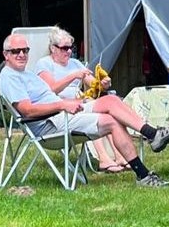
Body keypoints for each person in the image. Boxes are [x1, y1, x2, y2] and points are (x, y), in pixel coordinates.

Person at [0, 32, 169, 187]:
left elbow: (92, 84)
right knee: (111, 121)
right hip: (50, 124)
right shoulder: (11, 77)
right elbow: (27, 110)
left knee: (110, 99)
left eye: (25, 50)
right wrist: (62, 104)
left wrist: (101, 83)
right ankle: (143, 173)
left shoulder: (24, 73)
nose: (21, 54)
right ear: (6, 54)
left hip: (64, 111)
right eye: (16, 51)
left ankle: (152, 136)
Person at [33, 26, 127, 173]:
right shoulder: (44, 64)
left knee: (107, 111)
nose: (69, 51)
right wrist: (73, 76)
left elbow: (92, 83)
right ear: (53, 48)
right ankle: (103, 159)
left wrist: (103, 84)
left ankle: (119, 155)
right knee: (93, 115)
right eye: (64, 48)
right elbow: (51, 89)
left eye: (71, 47)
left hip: (80, 102)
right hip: (59, 108)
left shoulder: (75, 63)